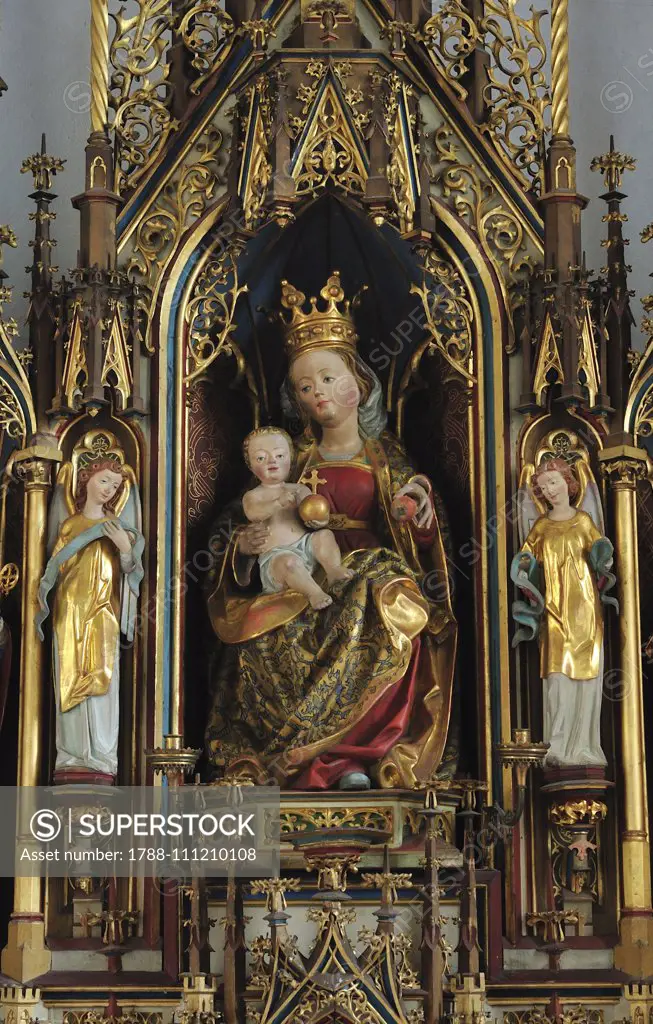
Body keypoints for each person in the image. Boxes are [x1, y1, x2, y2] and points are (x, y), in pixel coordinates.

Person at [205, 272, 457, 791]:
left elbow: (417, 520)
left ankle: (355, 758)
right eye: (303, 385)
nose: (315, 391)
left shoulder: (383, 455)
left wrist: (420, 515)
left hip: (367, 567)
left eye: (326, 377)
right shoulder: (287, 456)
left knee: (389, 603)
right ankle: (295, 763)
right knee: (255, 638)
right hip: (296, 571)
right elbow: (244, 518)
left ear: (358, 382)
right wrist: (245, 550)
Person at [37, 452, 144, 777]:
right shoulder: (71, 525)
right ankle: (71, 756)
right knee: (69, 677)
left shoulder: (118, 528)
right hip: (70, 610)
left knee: (102, 680)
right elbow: (57, 565)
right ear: (86, 481)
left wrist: (124, 548)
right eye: (104, 481)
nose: (109, 488)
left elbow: (131, 571)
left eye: (115, 484)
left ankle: (101, 756)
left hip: (103, 613)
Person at [512, 458, 616, 768]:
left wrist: (603, 561)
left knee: (587, 676)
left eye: (554, 483)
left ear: (568, 483)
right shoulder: (541, 527)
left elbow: (602, 553)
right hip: (555, 610)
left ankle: (585, 746)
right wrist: (525, 569)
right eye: (544, 487)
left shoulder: (584, 521)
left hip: (584, 608)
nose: (550, 491)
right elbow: (525, 560)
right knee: (557, 677)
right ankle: (557, 745)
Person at [242, 426, 353, 609]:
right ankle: (314, 593)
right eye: (261, 458)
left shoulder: (299, 489)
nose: (272, 462)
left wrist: (319, 521)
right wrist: (277, 503)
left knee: (325, 536)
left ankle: (333, 570)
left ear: (290, 459)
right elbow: (254, 513)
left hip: (306, 547)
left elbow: (309, 511)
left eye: (279, 456)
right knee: (289, 562)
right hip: (277, 557)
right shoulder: (254, 496)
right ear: (251, 465)